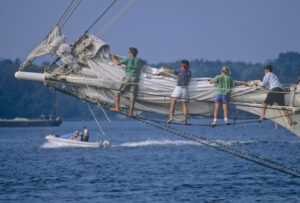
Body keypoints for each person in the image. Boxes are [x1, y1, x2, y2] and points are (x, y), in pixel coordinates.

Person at [110, 47, 146, 117]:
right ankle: (131, 113)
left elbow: (118, 63)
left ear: (131, 53)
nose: (128, 53)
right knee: (132, 96)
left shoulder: (128, 59)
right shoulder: (139, 60)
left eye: (128, 52)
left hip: (128, 77)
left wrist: (113, 57)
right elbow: (144, 64)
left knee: (117, 91)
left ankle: (117, 107)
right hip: (135, 79)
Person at [162, 60, 192, 125]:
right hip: (185, 89)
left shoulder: (179, 71)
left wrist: (164, 68)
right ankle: (185, 119)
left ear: (182, 66)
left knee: (173, 102)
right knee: (184, 105)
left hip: (178, 88)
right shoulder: (189, 73)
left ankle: (171, 117)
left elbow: (170, 71)